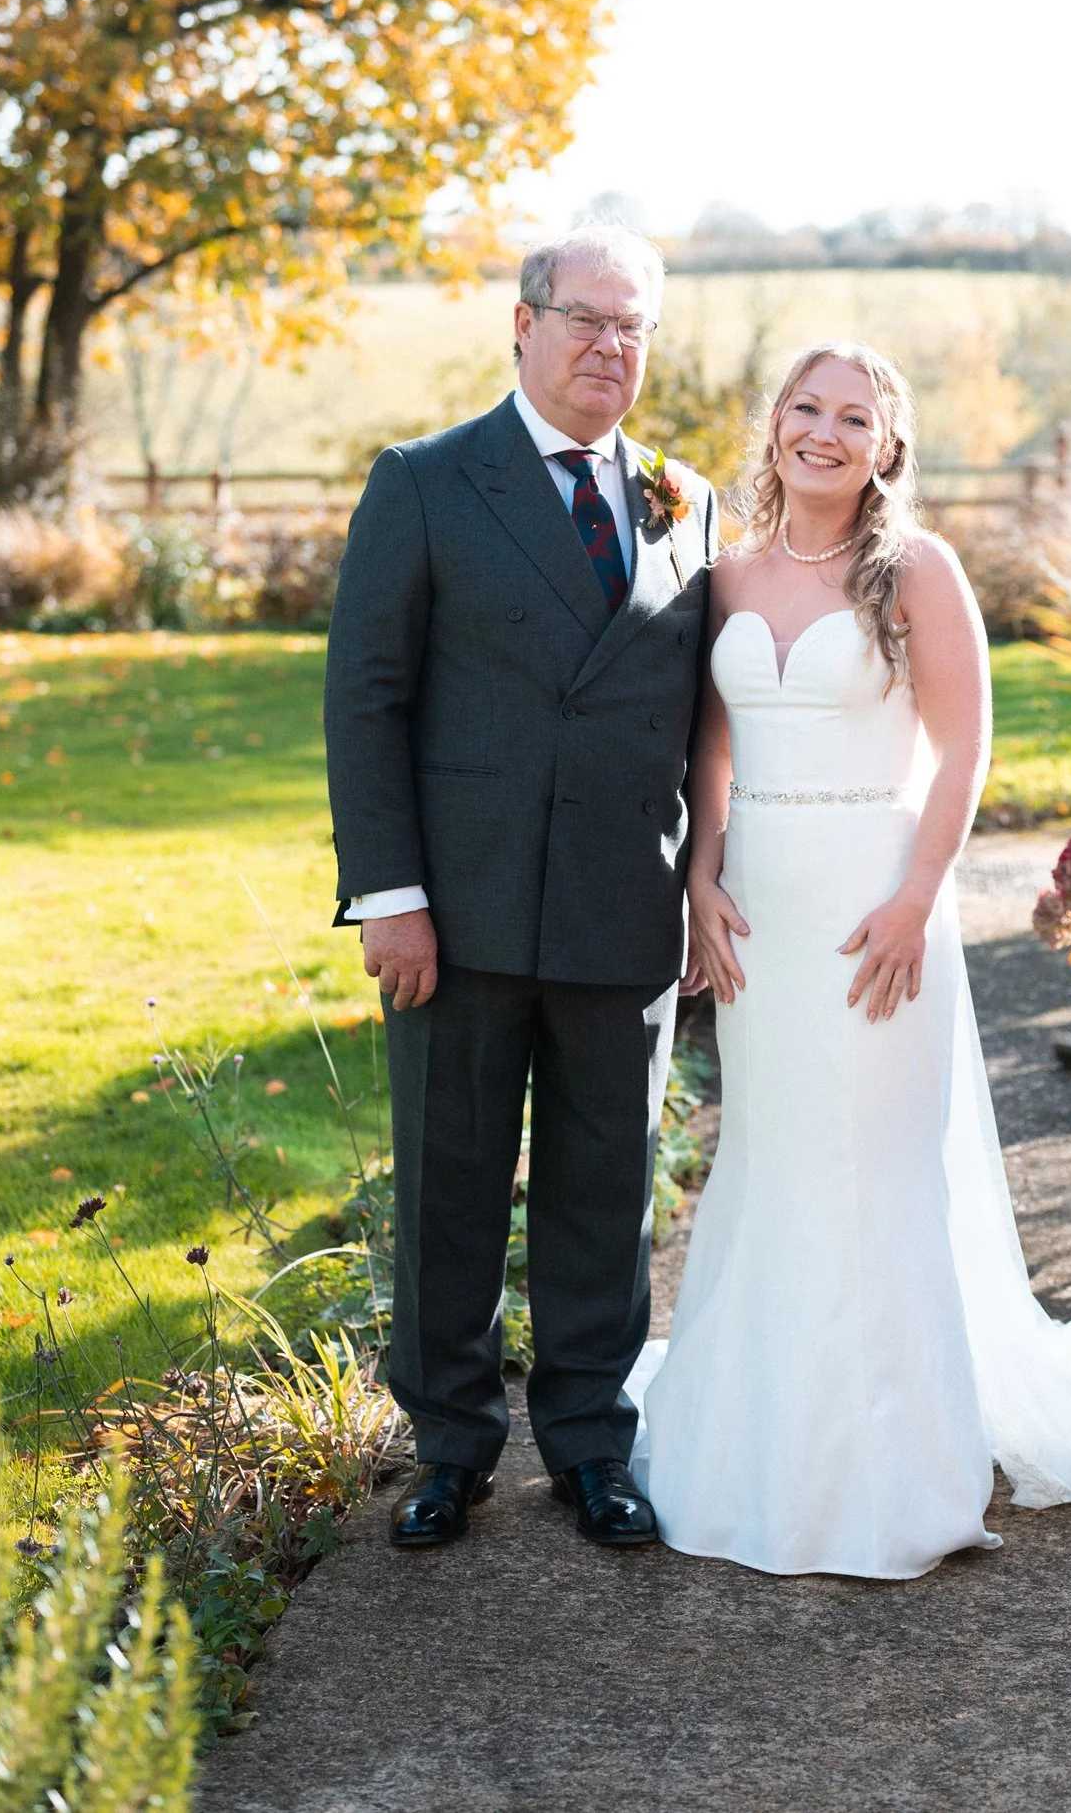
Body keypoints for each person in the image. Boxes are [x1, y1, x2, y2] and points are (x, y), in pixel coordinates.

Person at [633, 341, 1071, 1579]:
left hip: (876, 906)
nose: (821, 431)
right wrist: (700, 874)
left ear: (887, 444)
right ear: (772, 422)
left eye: (852, 416)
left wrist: (914, 898)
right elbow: (708, 746)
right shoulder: (724, 573)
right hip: (759, 911)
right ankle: (751, 1441)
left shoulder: (915, 572)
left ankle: (883, 1468)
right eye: (803, 407)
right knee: (768, 1156)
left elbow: (963, 751)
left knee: (871, 1167)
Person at [323, 224, 717, 1550]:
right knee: (450, 1185)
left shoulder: (684, 499)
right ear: (521, 324)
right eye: (584, 319)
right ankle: (448, 1448)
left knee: (606, 1192)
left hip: (623, 906)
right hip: (463, 913)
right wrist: (389, 893)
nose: (609, 346)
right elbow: (365, 702)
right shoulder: (426, 483)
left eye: (632, 327)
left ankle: (592, 1448)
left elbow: (700, 711)